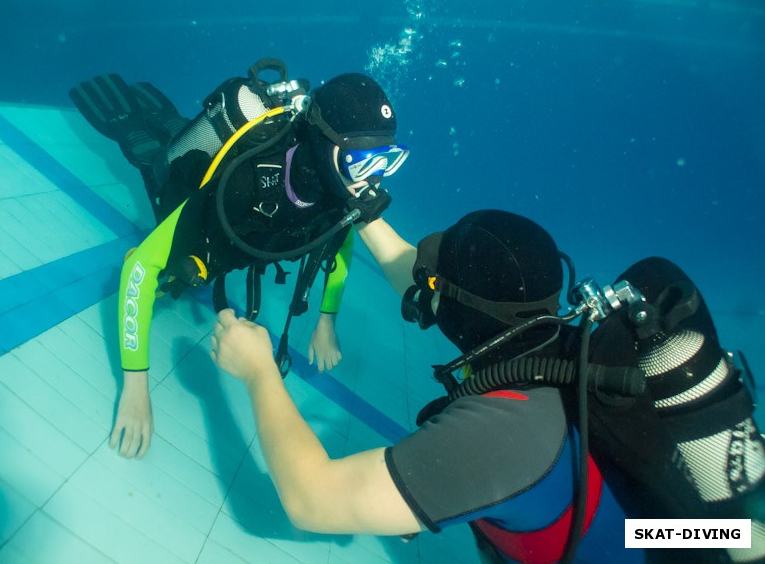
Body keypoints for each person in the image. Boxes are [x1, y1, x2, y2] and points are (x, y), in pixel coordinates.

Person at [211, 210, 765, 564]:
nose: (424, 285)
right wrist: (358, 204)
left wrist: (258, 369)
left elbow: (312, 500)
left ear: (458, 309)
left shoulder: (502, 432)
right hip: (658, 536)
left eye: (437, 280)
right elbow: (418, 279)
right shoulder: (562, 349)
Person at [70, 59, 409, 459]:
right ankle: (142, 123)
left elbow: (338, 242)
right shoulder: (246, 182)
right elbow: (138, 269)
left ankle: (168, 121)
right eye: (364, 162)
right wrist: (135, 385)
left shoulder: (339, 191)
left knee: (175, 132)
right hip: (204, 194)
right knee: (153, 159)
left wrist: (326, 320)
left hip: (241, 205)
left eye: (388, 161)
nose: (372, 182)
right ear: (322, 144)